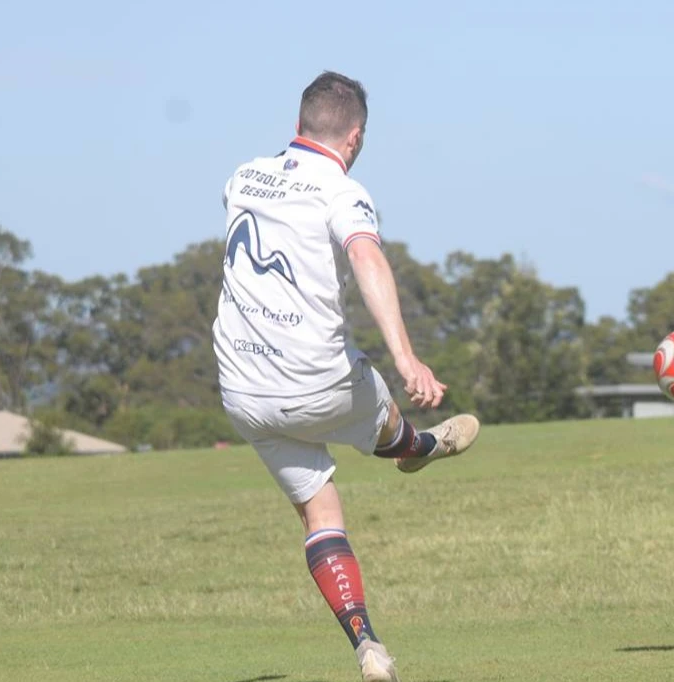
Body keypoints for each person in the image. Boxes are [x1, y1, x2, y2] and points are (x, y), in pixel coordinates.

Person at [213, 70, 480, 682]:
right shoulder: (342, 189)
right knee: (387, 421)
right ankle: (418, 446)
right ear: (355, 137)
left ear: (299, 123)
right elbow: (365, 256)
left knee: (320, 515)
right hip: (319, 383)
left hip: (243, 390)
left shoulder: (241, 176)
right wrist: (408, 359)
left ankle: (367, 645)